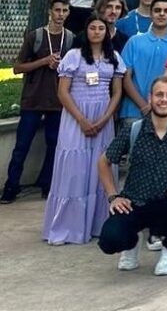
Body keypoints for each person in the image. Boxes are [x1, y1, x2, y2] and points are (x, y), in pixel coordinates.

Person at [96, 75, 167, 276]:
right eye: (159, 94)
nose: (164, 99)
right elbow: (103, 162)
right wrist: (113, 197)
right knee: (109, 241)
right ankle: (132, 243)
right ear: (150, 98)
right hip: (135, 202)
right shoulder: (133, 129)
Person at [42, 13, 125, 244]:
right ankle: (68, 227)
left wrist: (104, 118)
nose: (97, 31)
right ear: (85, 31)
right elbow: (62, 92)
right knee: (74, 169)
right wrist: (81, 119)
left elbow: (117, 92)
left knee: (102, 167)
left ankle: (98, 223)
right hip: (75, 117)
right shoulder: (73, 56)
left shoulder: (114, 57)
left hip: (103, 118)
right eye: (93, 28)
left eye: (101, 28)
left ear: (107, 32)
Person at [1, 0, 76, 203]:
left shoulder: (70, 39)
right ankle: (11, 186)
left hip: (58, 101)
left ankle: (47, 184)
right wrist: (44, 61)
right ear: (49, 11)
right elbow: (17, 68)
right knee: (21, 145)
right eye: (57, 10)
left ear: (68, 13)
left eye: (65, 10)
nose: (60, 14)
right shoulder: (35, 36)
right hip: (32, 100)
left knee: (54, 145)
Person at [120, 0, 167, 120]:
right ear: (150, 13)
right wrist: (144, 106)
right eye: (157, 10)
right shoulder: (134, 41)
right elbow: (125, 77)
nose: (161, 14)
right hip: (133, 111)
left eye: (166, 11)